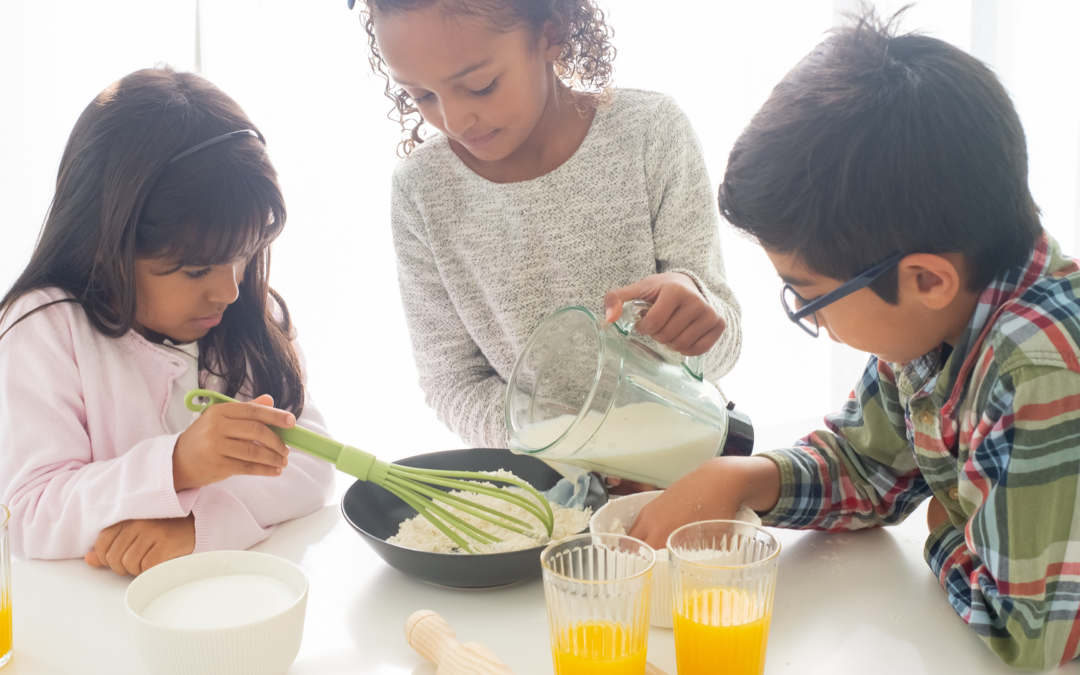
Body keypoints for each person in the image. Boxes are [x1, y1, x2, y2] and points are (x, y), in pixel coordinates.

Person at [629, 11, 1080, 669]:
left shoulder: (1039, 371)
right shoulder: (934, 321)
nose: (813, 318)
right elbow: (872, 466)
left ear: (925, 277)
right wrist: (745, 477)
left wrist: (941, 531)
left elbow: (1036, 632)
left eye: (811, 296)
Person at [352, 0, 743, 448]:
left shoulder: (650, 132)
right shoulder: (420, 189)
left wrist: (697, 322)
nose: (454, 121)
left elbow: (723, 345)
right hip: (544, 487)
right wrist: (561, 441)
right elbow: (452, 382)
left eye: (481, 86)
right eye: (420, 96)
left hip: (684, 459)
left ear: (550, 34)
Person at [0, 67, 335, 576]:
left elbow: (312, 465)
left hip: (232, 604)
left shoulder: (246, 317)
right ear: (106, 246)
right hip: (94, 628)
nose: (229, 288)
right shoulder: (45, 328)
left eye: (244, 254)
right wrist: (176, 465)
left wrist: (197, 526)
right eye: (196, 269)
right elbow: (30, 513)